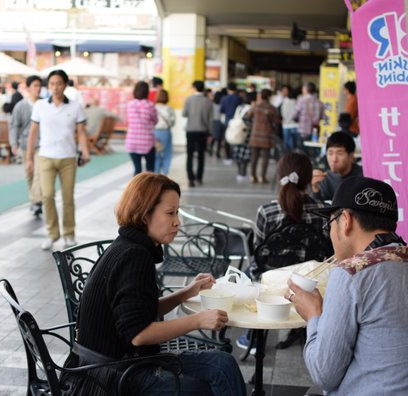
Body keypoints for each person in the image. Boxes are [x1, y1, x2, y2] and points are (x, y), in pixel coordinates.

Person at [66, 172, 247, 395]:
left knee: (222, 364)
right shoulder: (135, 257)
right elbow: (139, 334)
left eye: (177, 212)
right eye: (170, 213)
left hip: (100, 368)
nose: (177, 221)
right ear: (144, 215)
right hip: (112, 379)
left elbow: (138, 313)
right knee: (215, 378)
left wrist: (186, 293)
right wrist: (198, 320)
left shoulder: (126, 246)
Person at [288, 176, 408, 395]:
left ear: (346, 220)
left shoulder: (350, 273)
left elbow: (324, 373)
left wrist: (313, 315)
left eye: (330, 223)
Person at [236, 152, 330, 352]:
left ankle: (252, 336)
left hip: (271, 284)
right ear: (307, 179)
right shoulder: (323, 211)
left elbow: (259, 252)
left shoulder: (266, 211)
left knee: (245, 272)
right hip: (310, 286)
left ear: (280, 176)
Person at [26, 69, 90, 252]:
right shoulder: (39, 106)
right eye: (52, 84)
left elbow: (81, 132)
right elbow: (33, 133)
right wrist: (29, 159)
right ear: (49, 86)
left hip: (68, 158)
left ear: (65, 85)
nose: (55, 87)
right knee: (47, 196)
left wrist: (85, 152)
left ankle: (69, 234)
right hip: (45, 158)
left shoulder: (75, 107)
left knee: (68, 198)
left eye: (59, 83)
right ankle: (52, 234)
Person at [9, 75, 43, 218]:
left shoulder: (45, 104)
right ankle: (34, 199)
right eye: (35, 86)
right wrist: (13, 143)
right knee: (29, 172)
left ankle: (37, 201)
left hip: (42, 144)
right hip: (25, 144)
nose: (38, 89)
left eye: (39, 86)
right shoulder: (20, 106)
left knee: (39, 173)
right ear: (28, 88)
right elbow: (14, 126)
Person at [311, 131, 363, 201]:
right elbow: (319, 207)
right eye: (330, 153)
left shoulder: (363, 176)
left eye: (339, 153)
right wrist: (315, 188)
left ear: (351, 156)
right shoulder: (326, 178)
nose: (334, 159)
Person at [183, 80, 213, 187]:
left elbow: (184, 114)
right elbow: (210, 119)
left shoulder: (188, 99)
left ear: (194, 88)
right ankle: (199, 178)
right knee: (201, 155)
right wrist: (210, 134)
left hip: (190, 130)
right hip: (203, 131)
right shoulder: (208, 101)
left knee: (190, 155)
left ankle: (190, 178)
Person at [246, 88, 280, 184]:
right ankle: (262, 177)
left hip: (255, 134)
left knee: (254, 157)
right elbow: (276, 122)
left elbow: (247, 117)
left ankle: (253, 176)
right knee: (265, 157)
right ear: (269, 97)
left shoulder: (255, 106)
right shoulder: (272, 108)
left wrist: (252, 127)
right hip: (266, 135)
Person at [126, 81, 158, 175]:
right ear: (147, 92)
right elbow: (155, 121)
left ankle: (135, 189)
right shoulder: (150, 105)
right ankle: (150, 189)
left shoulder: (130, 104)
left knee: (137, 169)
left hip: (132, 141)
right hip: (147, 142)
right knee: (150, 171)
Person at [220, 83, 243, 165]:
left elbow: (222, 110)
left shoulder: (224, 98)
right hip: (237, 121)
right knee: (237, 137)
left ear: (228, 89)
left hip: (227, 121)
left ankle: (228, 157)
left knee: (227, 138)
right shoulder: (239, 98)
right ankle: (236, 156)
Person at [154, 89, 175, 174]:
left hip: (154, 132)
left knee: (156, 154)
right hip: (166, 132)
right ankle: (165, 174)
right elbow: (173, 122)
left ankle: (155, 173)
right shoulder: (169, 109)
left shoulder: (153, 107)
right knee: (167, 154)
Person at [280, 85, 299, 151]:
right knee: (293, 145)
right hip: (291, 125)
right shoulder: (295, 101)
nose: (284, 92)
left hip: (289, 125)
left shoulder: (291, 102)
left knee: (288, 146)